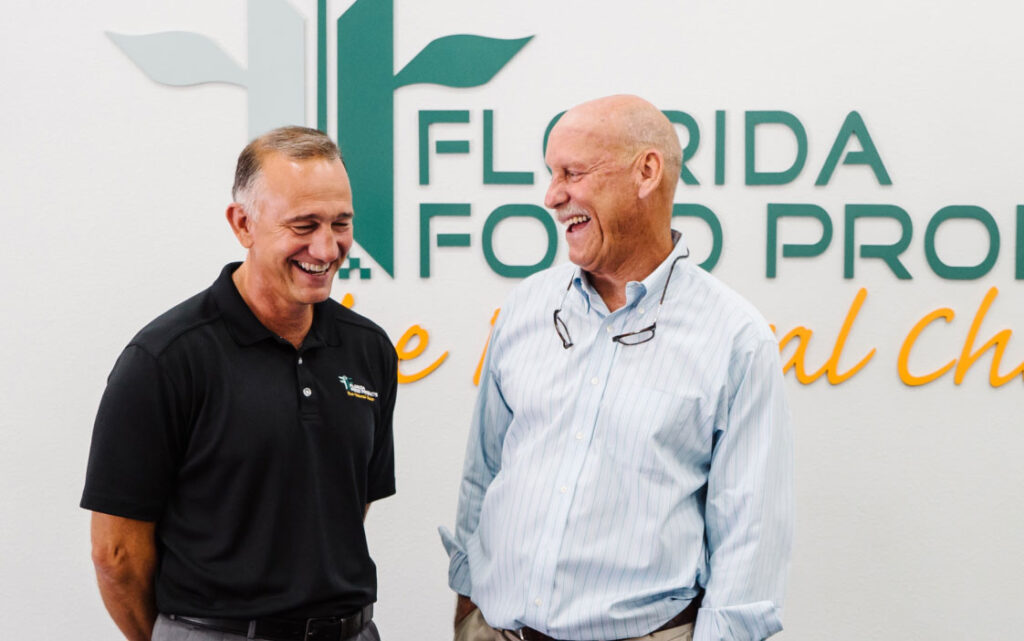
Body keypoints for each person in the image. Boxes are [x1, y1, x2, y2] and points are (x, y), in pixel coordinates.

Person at [440, 95, 793, 641]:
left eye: (572, 173)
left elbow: (750, 537)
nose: (553, 196)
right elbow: (483, 472)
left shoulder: (735, 338)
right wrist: (467, 609)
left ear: (646, 172)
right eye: (551, 174)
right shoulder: (526, 308)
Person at [82, 126, 396, 641]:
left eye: (341, 223)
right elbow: (115, 554)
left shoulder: (369, 349)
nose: (327, 246)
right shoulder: (165, 358)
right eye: (304, 224)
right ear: (243, 223)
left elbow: (345, 507)